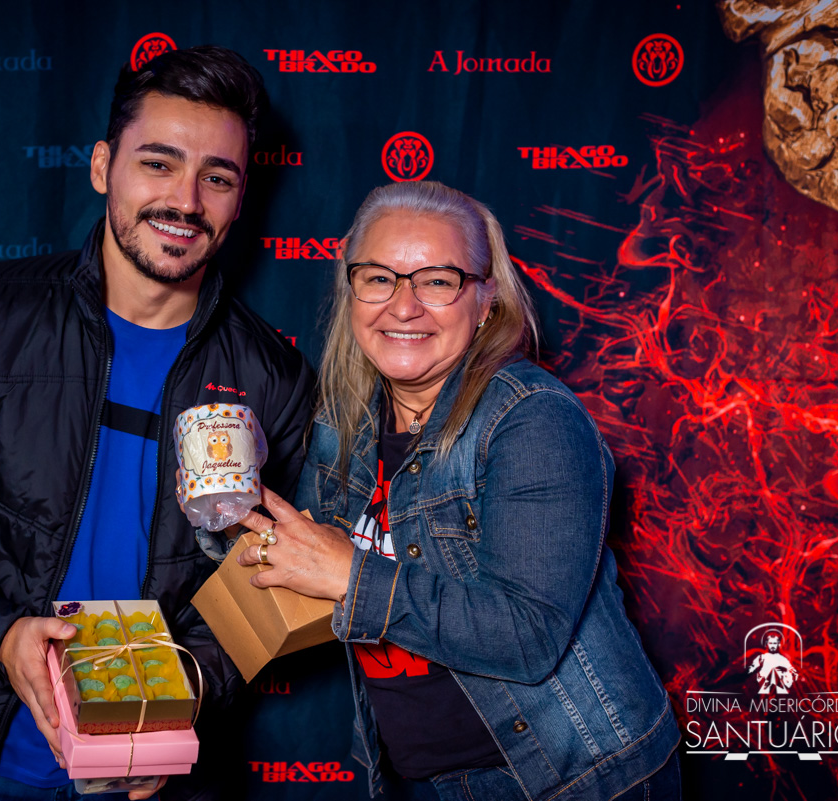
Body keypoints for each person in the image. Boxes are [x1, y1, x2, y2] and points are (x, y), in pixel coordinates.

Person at [0, 46, 314, 801]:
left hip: (150, 771)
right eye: (158, 164)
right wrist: (1, 636)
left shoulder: (276, 377)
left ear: (240, 199)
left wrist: (179, 696)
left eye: (217, 177)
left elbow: (269, 581)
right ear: (104, 166)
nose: (186, 201)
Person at [225, 181, 681, 800]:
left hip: (575, 778)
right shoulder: (344, 420)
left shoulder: (531, 417)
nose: (403, 307)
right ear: (351, 290)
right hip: (428, 781)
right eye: (379, 278)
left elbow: (528, 637)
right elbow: (302, 564)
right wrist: (227, 508)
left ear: (487, 300)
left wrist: (351, 577)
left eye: (437, 281)